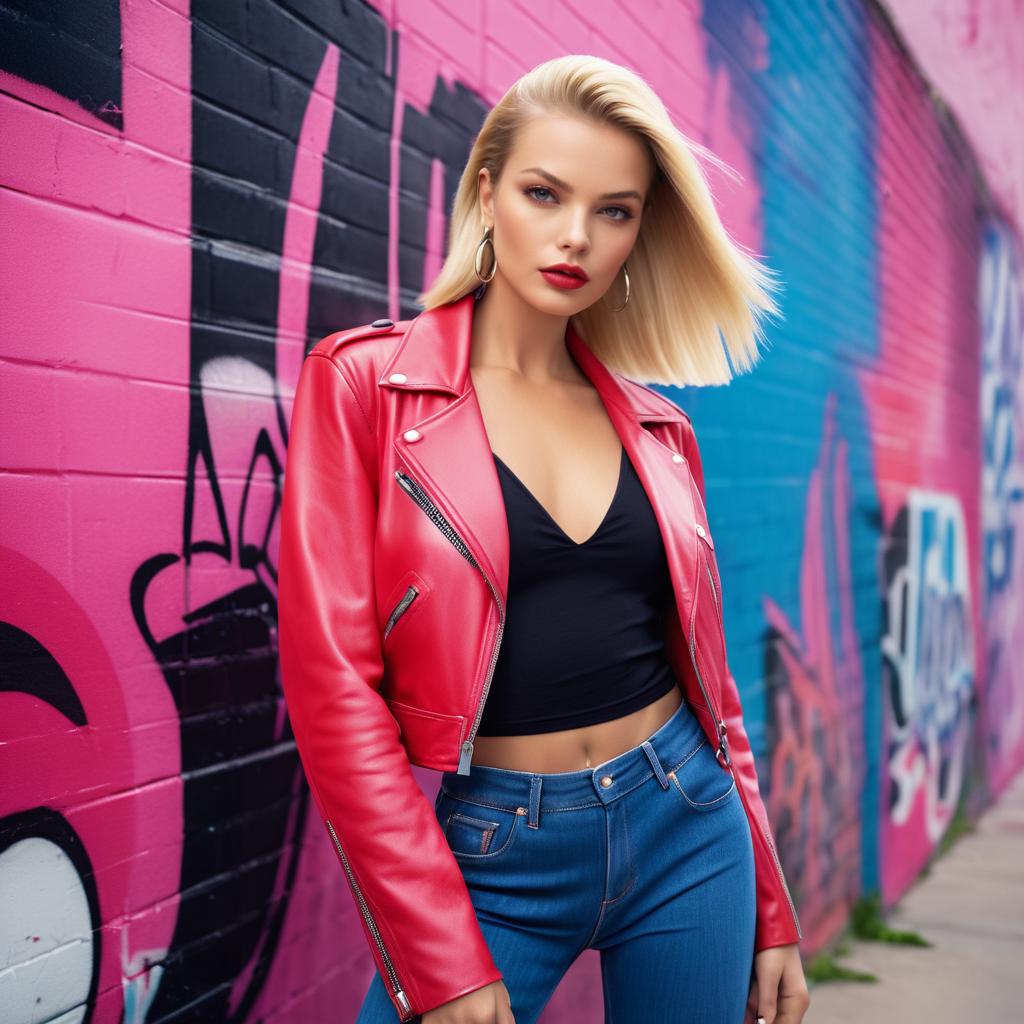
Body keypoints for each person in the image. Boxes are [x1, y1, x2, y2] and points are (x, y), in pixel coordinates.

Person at [278, 54, 810, 1024]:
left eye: (614, 209)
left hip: (688, 823)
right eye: (543, 193)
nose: (575, 236)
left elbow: (713, 692)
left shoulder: (659, 431)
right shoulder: (363, 387)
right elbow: (331, 688)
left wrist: (773, 909)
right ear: (487, 193)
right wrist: (436, 955)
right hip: (494, 848)